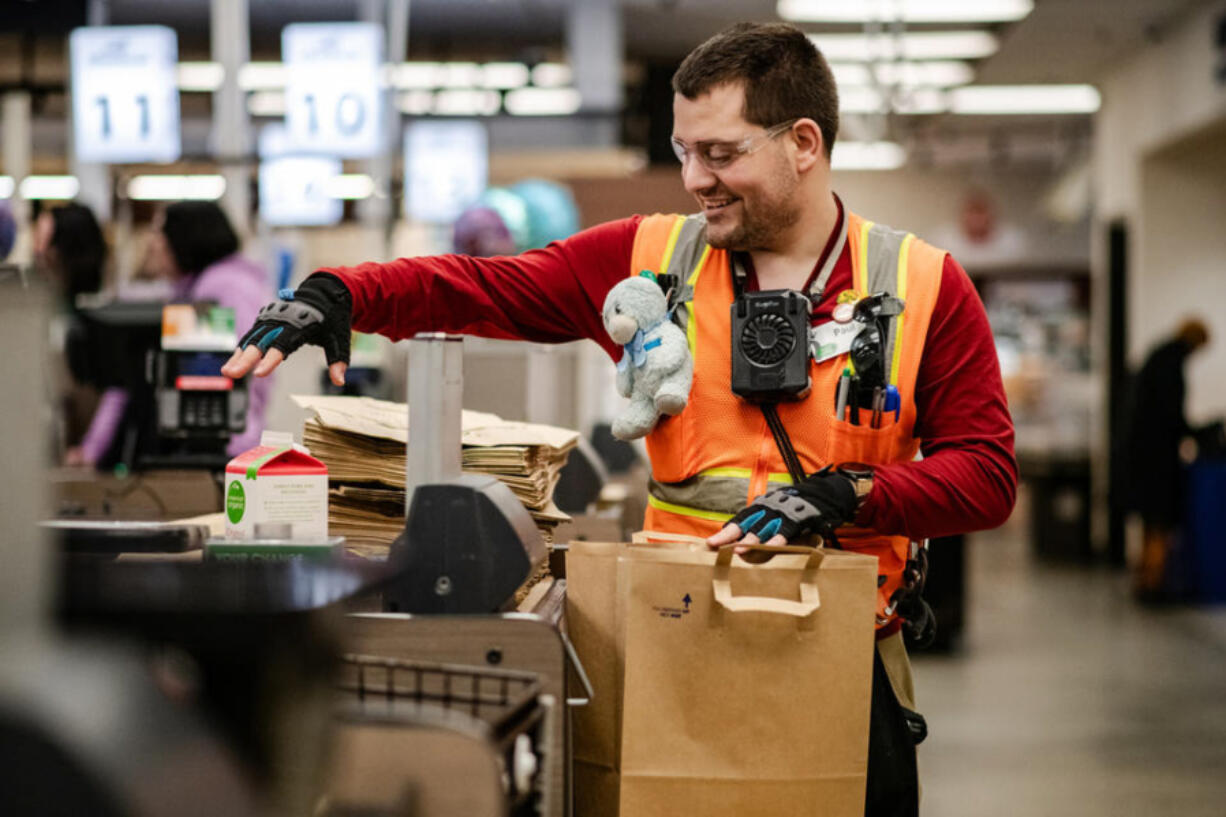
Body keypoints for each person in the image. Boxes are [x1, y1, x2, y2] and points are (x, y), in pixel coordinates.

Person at [223, 22, 1016, 815]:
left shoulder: (923, 286)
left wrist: (851, 492)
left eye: (721, 153)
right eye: (683, 152)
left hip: (848, 656)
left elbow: (987, 474)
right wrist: (346, 293)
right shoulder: (650, 263)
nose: (694, 179)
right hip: (681, 647)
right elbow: (484, 287)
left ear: (803, 142)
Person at [74, 201, 273, 466]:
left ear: (186, 237)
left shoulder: (220, 287)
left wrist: (91, 450)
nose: (154, 243)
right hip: (233, 441)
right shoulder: (205, 285)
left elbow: (238, 370)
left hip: (229, 445)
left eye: (160, 232)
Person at [1118, 318, 1211, 599]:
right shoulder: (1172, 363)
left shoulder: (1159, 355)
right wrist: (1198, 432)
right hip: (1157, 457)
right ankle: (1153, 582)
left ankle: (1145, 578)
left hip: (1142, 452)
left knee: (1149, 521)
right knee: (1160, 521)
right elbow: (1171, 415)